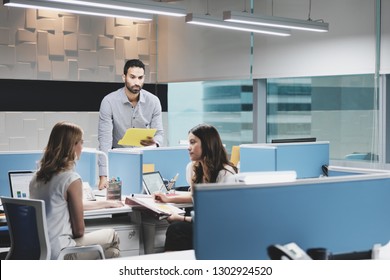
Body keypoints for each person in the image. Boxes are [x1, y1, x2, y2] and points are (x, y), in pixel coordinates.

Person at [29, 121, 122, 260]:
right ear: (72, 146)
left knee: (110, 253)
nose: (82, 148)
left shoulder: (36, 177)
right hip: (63, 253)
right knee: (112, 238)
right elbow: (79, 231)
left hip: (40, 252)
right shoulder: (71, 179)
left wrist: (105, 203)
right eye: (81, 143)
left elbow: (62, 206)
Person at [153, 124, 237, 251]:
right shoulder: (193, 168)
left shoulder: (225, 174)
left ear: (207, 144)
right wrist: (166, 199)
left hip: (219, 228)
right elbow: (194, 196)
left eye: (193, 142)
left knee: (176, 229)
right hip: (205, 222)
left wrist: (181, 218)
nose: (188, 147)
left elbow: (219, 217)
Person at [97, 59, 164, 190]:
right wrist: (103, 176)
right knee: (120, 206)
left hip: (145, 162)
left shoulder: (154, 101)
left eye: (140, 78)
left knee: (150, 204)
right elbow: (105, 140)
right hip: (118, 163)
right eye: (132, 77)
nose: (137, 82)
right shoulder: (109, 101)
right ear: (124, 77)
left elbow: (159, 134)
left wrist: (155, 143)